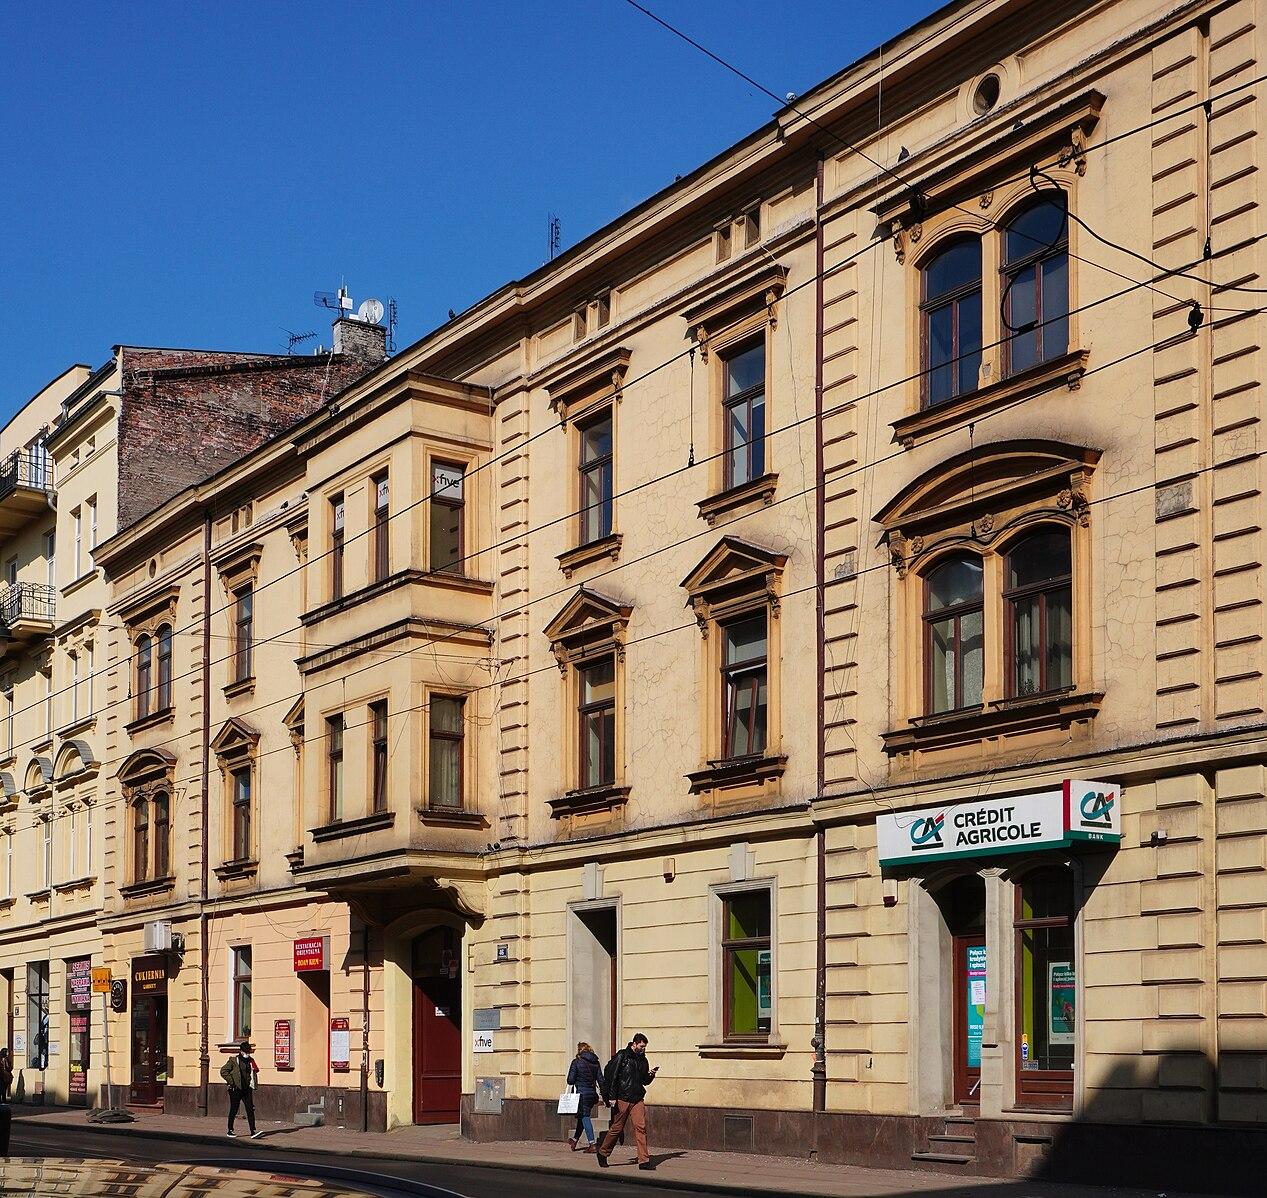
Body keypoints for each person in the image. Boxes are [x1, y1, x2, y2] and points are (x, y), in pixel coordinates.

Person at [596, 1033, 658, 1171]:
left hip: (637, 1098)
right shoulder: (622, 1056)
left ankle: (644, 1161)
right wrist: (611, 1096)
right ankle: (603, 1152)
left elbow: (644, 1081)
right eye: (641, 1046)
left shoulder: (643, 1060)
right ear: (634, 1044)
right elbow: (612, 1076)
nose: (643, 1049)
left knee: (641, 1128)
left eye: (645, 1047)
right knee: (617, 1128)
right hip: (622, 1097)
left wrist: (651, 1075)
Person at [565, 1041, 605, 1152]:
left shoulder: (576, 1062)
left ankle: (592, 1144)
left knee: (585, 1117)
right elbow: (601, 1080)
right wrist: (605, 1095)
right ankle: (574, 1140)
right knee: (582, 1116)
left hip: (581, 1095)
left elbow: (570, 1080)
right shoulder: (595, 1062)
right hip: (591, 1094)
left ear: (579, 1051)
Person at [220, 1039, 262, 1138]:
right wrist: (232, 1082)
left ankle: (253, 1131)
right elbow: (223, 1071)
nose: (247, 1054)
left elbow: (253, 1072)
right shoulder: (234, 1061)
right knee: (234, 1109)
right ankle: (230, 1130)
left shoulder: (250, 1061)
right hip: (235, 1089)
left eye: (249, 1052)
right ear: (241, 1051)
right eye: (246, 1052)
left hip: (247, 1089)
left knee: (250, 1109)